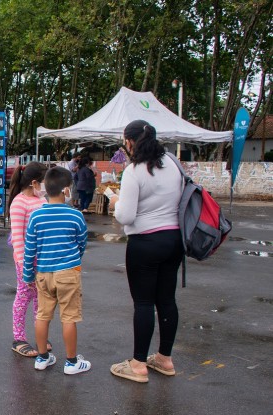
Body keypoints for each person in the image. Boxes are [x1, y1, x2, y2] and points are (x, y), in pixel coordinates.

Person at [108, 120, 184, 383]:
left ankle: (138, 364)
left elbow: (126, 216)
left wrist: (115, 202)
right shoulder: (173, 163)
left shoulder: (134, 171)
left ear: (130, 142)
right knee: (166, 300)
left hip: (145, 243)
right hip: (174, 239)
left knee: (143, 303)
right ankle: (164, 358)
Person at [23, 166, 90, 375]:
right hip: (68, 272)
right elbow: (82, 243)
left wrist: (28, 275)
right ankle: (71, 362)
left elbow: (30, 249)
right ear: (66, 190)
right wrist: (74, 259)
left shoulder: (35, 216)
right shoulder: (75, 215)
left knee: (42, 315)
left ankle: (42, 358)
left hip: (43, 274)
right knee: (69, 317)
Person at [7, 162, 51, 357]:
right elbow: (18, 238)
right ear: (34, 182)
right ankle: (19, 338)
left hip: (43, 260)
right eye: (43, 182)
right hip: (25, 260)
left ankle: (39, 334)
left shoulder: (43, 201)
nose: (45, 187)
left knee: (41, 298)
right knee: (24, 296)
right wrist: (25, 266)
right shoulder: (19, 203)